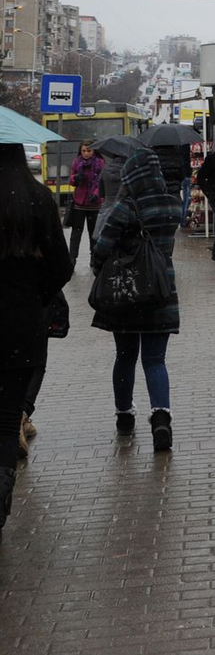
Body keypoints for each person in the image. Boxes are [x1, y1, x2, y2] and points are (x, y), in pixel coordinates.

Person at [0, 143, 73, 539]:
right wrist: (35, 299)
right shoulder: (37, 197)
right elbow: (61, 265)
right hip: (19, 327)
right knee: (7, 419)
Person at [89, 147, 180, 451]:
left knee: (125, 357)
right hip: (159, 291)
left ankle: (125, 416)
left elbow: (102, 246)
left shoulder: (126, 206)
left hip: (125, 292)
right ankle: (161, 418)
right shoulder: (172, 204)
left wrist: (97, 267)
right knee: (155, 359)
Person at [67, 140, 105, 266]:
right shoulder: (77, 162)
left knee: (93, 233)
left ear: (94, 151)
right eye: (83, 151)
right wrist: (75, 179)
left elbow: (102, 181)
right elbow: (71, 179)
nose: (86, 153)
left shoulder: (100, 163)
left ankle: (93, 258)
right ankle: (72, 259)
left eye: (89, 150)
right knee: (76, 232)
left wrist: (96, 193)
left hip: (94, 204)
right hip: (79, 203)